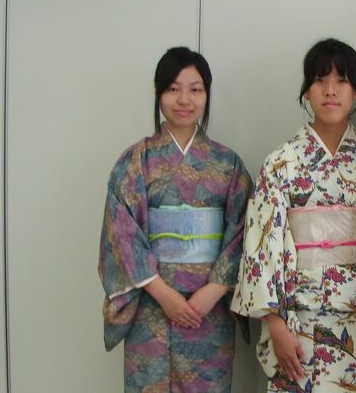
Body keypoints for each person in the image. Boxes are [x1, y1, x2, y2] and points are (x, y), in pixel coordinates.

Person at [232, 39, 356, 393]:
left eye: (342, 81)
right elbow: (263, 247)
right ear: (306, 92)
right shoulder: (281, 163)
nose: (330, 91)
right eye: (320, 80)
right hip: (299, 323)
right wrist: (275, 325)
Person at [98, 47, 252, 392]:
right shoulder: (134, 162)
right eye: (173, 88)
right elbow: (121, 236)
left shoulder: (228, 164)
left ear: (207, 95)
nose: (184, 99)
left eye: (195, 89)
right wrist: (164, 295)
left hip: (209, 309)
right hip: (151, 307)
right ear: (158, 92)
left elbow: (244, 232)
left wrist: (213, 290)